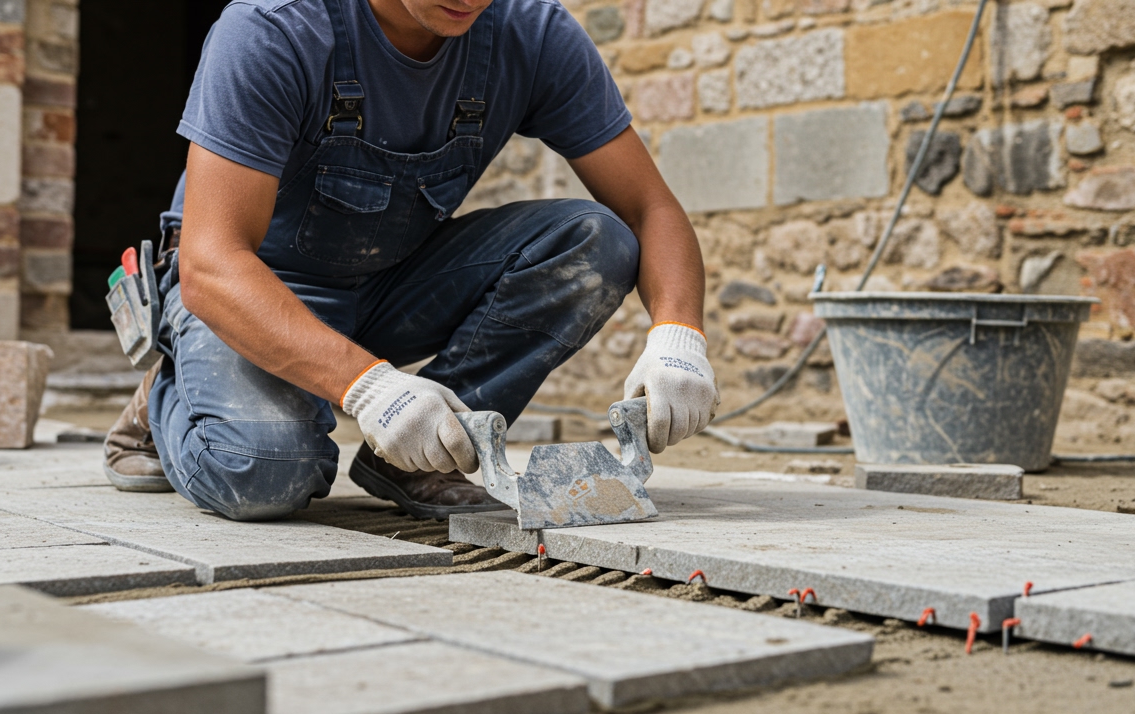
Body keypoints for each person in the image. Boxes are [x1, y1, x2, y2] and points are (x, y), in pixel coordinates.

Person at [103, 0, 719, 521]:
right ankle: (171, 386)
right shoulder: (274, 30)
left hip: (392, 284)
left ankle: (424, 451)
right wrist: (372, 389)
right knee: (267, 474)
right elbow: (211, 265)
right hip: (250, 296)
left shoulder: (528, 32)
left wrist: (679, 334)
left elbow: (648, 209)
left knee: (595, 239)